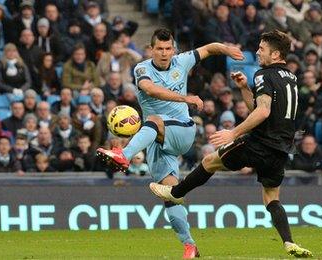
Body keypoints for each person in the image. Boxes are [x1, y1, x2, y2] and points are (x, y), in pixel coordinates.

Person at [148, 30, 312, 257]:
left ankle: (176, 191)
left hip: (259, 142)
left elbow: (262, 112)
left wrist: (233, 132)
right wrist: (244, 88)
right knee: (271, 197)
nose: (257, 52)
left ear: (275, 54)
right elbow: (261, 107)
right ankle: (288, 242)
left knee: (209, 161)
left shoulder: (264, 74)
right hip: (282, 148)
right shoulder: (291, 77)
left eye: (262, 49)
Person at [96, 28, 244, 259]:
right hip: (156, 139)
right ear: (151, 49)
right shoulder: (142, 68)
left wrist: (227, 49)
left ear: (173, 49)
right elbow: (150, 89)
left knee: (154, 119)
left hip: (182, 130)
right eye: (159, 49)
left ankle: (123, 155)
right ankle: (190, 245)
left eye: (168, 48)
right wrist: (186, 98)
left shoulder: (182, 61)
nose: (164, 53)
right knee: (171, 194)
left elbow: (208, 48)